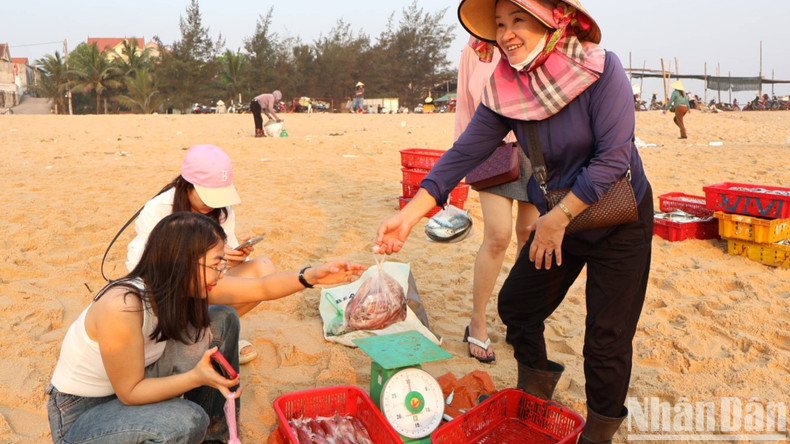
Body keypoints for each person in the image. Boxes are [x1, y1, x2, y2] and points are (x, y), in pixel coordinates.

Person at [376, 1, 653, 443]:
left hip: (620, 218)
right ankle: (535, 391)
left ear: (552, 21)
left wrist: (557, 219)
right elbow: (463, 155)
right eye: (500, 24)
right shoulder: (506, 89)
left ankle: (598, 434)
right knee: (518, 305)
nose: (506, 33)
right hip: (558, 219)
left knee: (606, 338)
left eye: (518, 19)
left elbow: (613, 159)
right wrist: (408, 216)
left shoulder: (601, 69)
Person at [48, 212, 366, 443]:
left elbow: (262, 287)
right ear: (182, 262)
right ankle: (195, 426)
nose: (222, 272)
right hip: (84, 416)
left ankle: (215, 435)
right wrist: (196, 376)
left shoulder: (178, 286)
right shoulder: (123, 306)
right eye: (216, 264)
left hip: (137, 381)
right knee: (185, 420)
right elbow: (130, 393)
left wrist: (311, 276)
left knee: (222, 319)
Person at [126, 144, 274, 365]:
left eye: (219, 196)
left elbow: (222, 267)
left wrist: (233, 258)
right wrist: (199, 261)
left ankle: (210, 334)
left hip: (204, 287)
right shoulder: (159, 208)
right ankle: (187, 339)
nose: (212, 204)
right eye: (207, 196)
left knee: (263, 269)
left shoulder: (222, 210)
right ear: (187, 184)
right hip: (167, 291)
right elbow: (144, 269)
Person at [455, 34, 539, 363]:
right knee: (498, 236)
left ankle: (518, 320)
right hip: (491, 149)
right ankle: (477, 321)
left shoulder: (535, 37)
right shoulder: (476, 48)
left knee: (529, 237)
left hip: (538, 148)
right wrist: (462, 156)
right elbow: (465, 104)